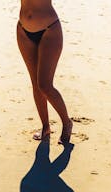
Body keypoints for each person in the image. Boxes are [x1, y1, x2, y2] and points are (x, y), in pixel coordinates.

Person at [17, 0, 73, 144]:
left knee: (44, 85)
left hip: (50, 29)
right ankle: (45, 127)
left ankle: (67, 123)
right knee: (36, 84)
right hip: (23, 29)